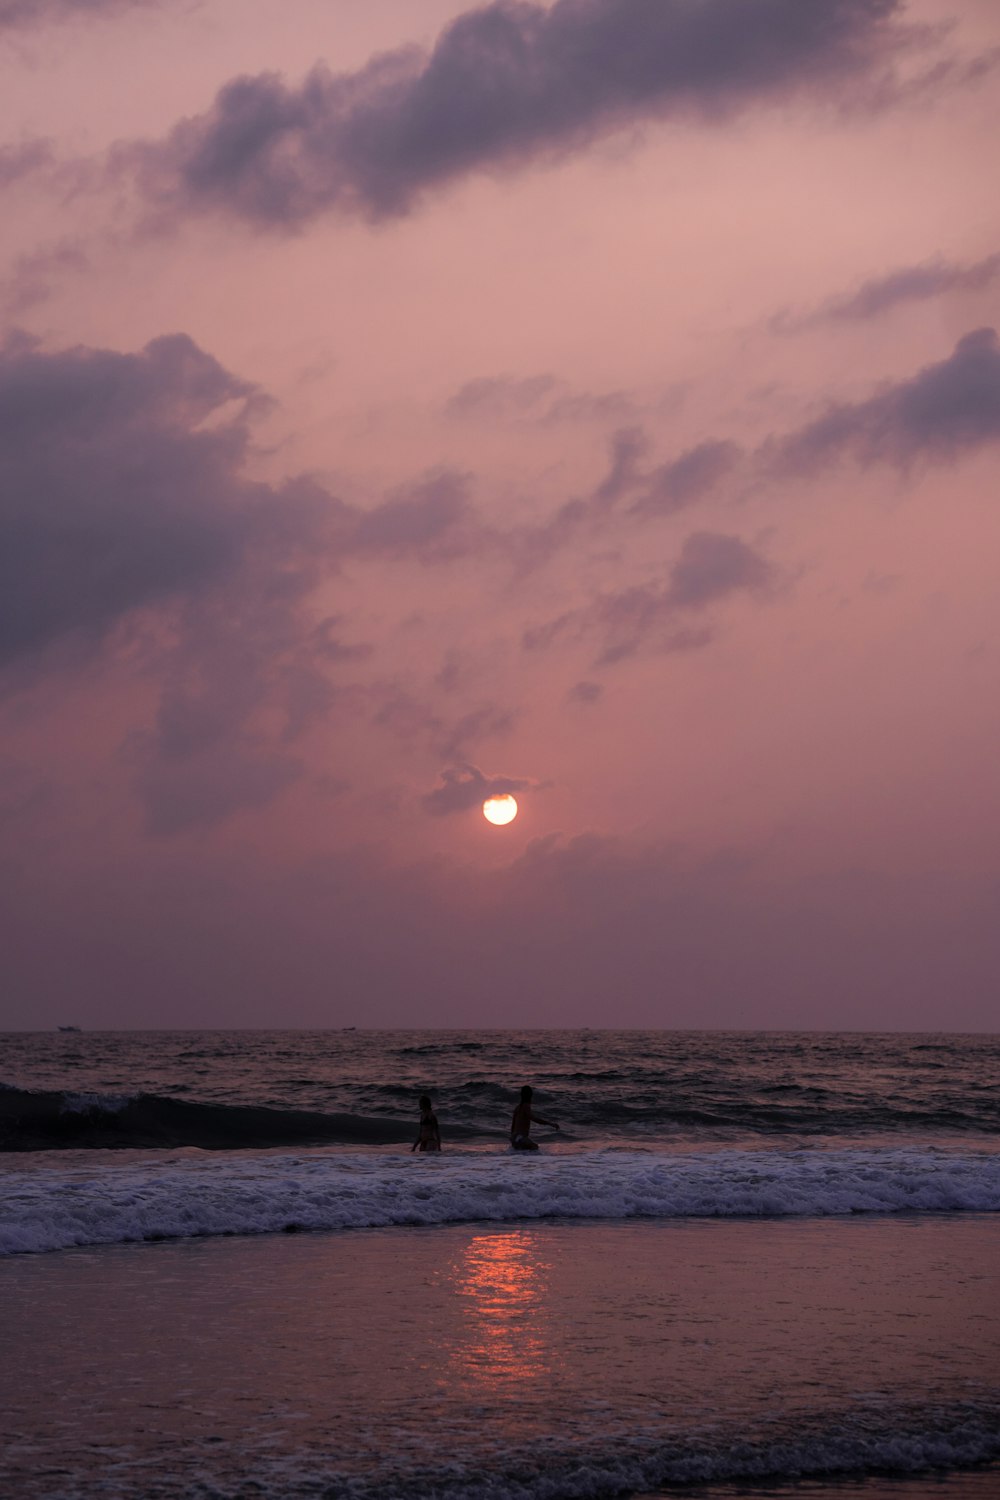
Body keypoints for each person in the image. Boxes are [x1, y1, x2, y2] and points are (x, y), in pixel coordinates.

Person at [510, 1085, 559, 1151]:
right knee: (535, 1147)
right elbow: (533, 1118)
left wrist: (513, 1138)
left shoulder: (517, 1107)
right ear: (530, 1095)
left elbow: (513, 1125)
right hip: (520, 1137)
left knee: (523, 1153)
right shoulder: (526, 1106)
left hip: (514, 1137)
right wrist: (550, 1123)